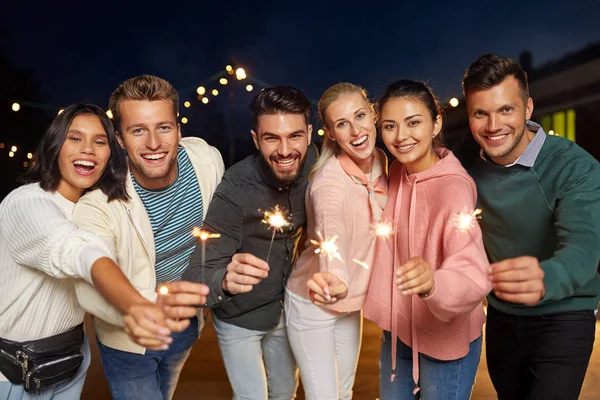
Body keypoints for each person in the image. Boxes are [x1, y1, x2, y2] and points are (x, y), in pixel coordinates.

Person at [0, 104, 189, 400]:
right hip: (11, 372)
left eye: (99, 142)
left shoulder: (99, 208)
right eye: (75, 138)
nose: (88, 149)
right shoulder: (27, 202)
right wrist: (135, 305)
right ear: (55, 145)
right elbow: (76, 250)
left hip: (69, 364)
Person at [454, 53, 600, 400]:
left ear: (527, 108)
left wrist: (547, 277)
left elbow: (585, 246)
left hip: (565, 314)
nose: (493, 125)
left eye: (506, 110)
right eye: (480, 113)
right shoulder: (463, 163)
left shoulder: (574, 166)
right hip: (503, 316)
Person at [72, 75, 224, 400]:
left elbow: (220, 233)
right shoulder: (97, 204)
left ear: (178, 129)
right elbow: (88, 287)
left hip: (186, 325)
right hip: (126, 340)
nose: (153, 143)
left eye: (164, 127)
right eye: (138, 130)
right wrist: (148, 308)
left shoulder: (207, 161)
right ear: (120, 138)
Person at [183, 86, 317, 399]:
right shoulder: (235, 189)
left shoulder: (317, 165)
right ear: (256, 139)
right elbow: (196, 274)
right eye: (272, 138)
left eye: (294, 136)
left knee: (285, 392)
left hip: (286, 310)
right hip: (238, 318)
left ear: (309, 134)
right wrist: (226, 280)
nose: (285, 150)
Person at [363, 80, 491, 399]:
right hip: (400, 328)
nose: (401, 136)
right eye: (389, 126)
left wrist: (434, 282)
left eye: (413, 122)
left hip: (445, 341)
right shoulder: (396, 172)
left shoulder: (453, 190)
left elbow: (474, 273)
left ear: (436, 124)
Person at [285, 82, 387, 400]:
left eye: (359, 116)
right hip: (314, 300)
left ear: (373, 114)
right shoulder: (328, 182)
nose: (356, 130)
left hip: (349, 303)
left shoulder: (384, 163)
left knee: (344, 393)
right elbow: (332, 235)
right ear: (330, 133)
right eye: (342, 124)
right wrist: (335, 276)